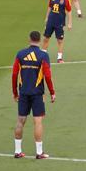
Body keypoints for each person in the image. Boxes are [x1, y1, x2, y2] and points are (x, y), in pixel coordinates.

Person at [12, 30, 56, 159]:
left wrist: (15, 92)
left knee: (20, 120)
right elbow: (47, 75)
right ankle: (39, 152)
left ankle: (17, 151)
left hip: (23, 92)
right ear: (40, 40)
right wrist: (52, 92)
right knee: (38, 122)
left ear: (29, 39)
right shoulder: (43, 55)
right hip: (37, 93)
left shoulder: (20, 54)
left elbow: (14, 74)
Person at [42, 0, 73, 64]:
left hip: (59, 23)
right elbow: (49, 7)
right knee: (46, 38)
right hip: (51, 21)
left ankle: (59, 58)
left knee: (60, 40)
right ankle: (43, 56)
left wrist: (70, 23)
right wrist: (47, 17)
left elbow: (69, 12)